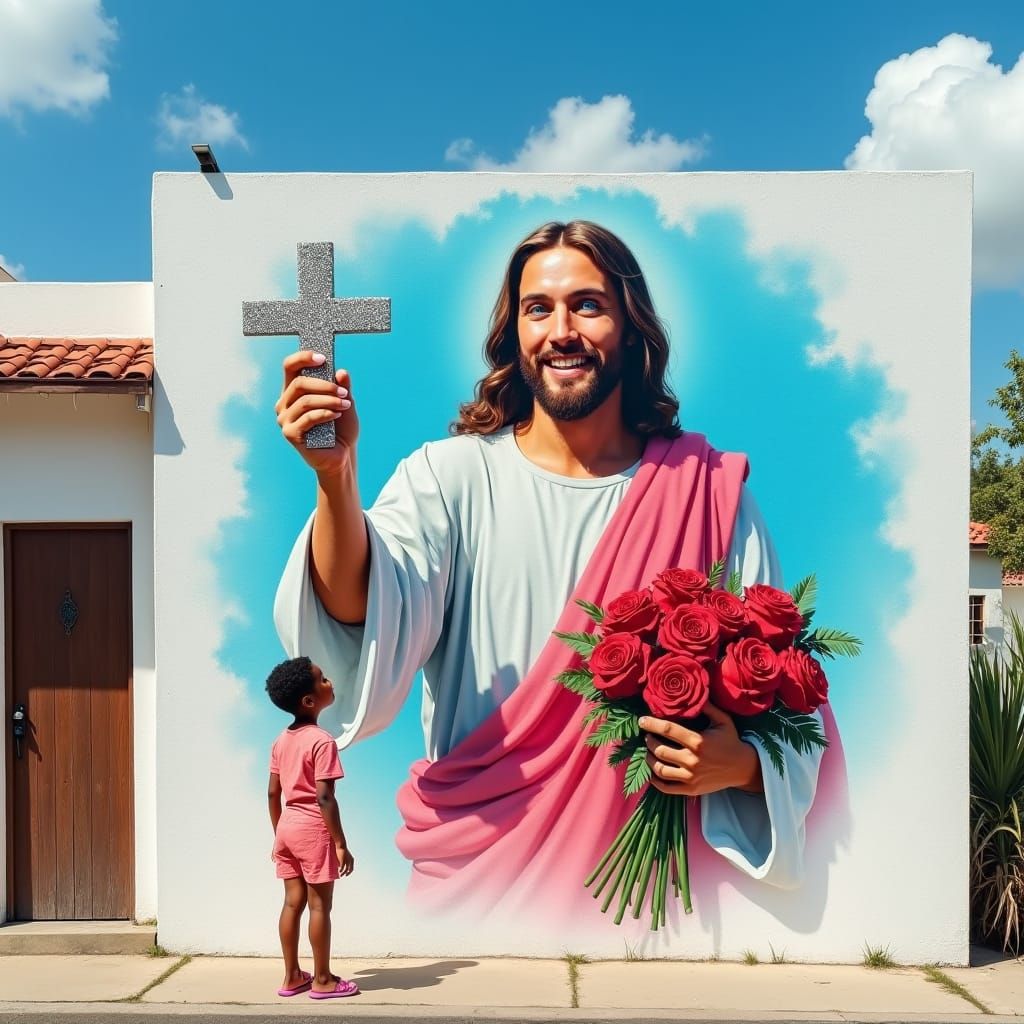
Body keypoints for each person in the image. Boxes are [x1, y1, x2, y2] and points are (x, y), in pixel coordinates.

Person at [273, 220, 823, 923]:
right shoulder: (452, 477)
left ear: (631, 327)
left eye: (588, 305)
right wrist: (335, 479)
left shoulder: (708, 490)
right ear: (515, 334)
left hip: (653, 901)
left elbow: (783, 693)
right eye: (539, 308)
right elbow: (360, 611)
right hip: (476, 882)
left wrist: (742, 768)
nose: (562, 331)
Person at [266, 656, 359, 999]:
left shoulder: (281, 740)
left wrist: (278, 834)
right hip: (312, 829)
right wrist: (340, 843)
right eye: (322, 680)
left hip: (287, 826)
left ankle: (292, 976)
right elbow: (324, 797)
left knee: (292, 903)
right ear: (309, 701)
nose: (329, 681)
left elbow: (273, 793)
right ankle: (322, 980)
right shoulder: (322, 741)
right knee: (320, 907)